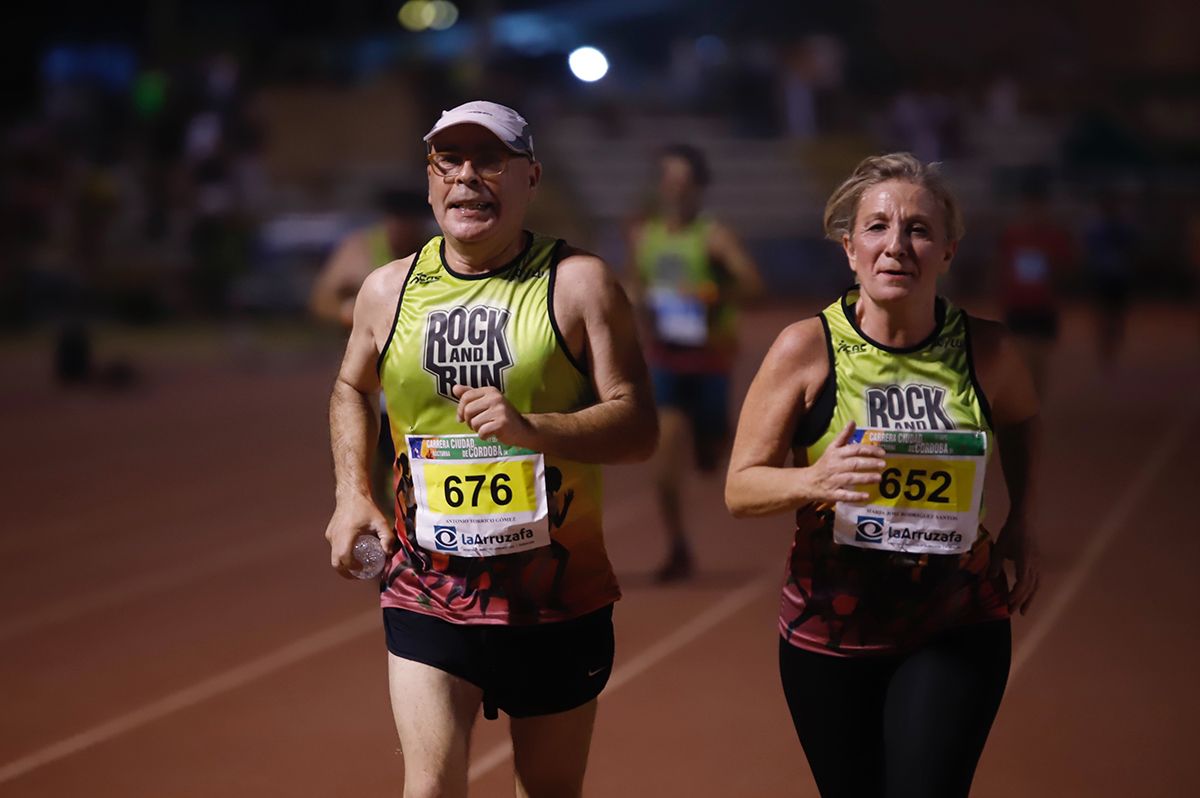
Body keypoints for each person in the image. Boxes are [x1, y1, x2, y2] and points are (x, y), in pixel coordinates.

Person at [322, 100, 657, 798]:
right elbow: (351, 388)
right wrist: (352, 493)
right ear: (429, 180)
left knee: (548, 789)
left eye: (490, 161)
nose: (468, 177)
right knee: (430, 787)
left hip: (557, 597)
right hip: (427, 587)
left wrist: (535, 430)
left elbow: (638, 428)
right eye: (451, 161)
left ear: (531, 177)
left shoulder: (578, 284)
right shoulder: (388, 290)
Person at [725, 153, 1040, 798]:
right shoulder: (805, 348)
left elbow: (1022, 420)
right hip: (831, 627)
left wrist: (1022, 521)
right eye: (877, 227)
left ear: (949, 250)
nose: (897, 245)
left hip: (957, 618)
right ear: (849, 248)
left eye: (919, 229)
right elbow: (741, 487)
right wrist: (815, 480)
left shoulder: (989, 349)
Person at [627, 143, 763, 582]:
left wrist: (712, 297)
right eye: (669, 180)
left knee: (710, 453)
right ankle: (678, 548)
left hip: (709, 362)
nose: (675, 189)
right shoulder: (646, 237)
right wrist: (639, 304)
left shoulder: (714, 236)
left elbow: (753, 285)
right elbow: (638, 286)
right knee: (664, 469)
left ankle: (710, 443)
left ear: (698, 188)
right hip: (666, 361)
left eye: (684, 181)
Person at [311, 187, 429, 512]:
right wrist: (347, 311)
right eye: (395, 220)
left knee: (409, 480)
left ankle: (410, 541)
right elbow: (321, 298)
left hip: (414, 386)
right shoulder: (360, 249)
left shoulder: (435, 253)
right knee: (366, 478)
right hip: (368, 383)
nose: (401, 228)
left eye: (409, 221)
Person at [994, 170, 1074, 394]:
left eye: (1038, 205)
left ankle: (1033, 406)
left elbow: (1064, 269)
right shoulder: (1012, 236)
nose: (1033, 211)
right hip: (1018, 306)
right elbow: (1001, 268)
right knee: (1021, 358)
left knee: (1039, 361)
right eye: (1029, 205)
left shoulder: (1054, 237)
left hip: (1043, 306)